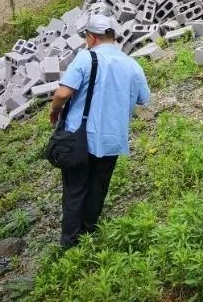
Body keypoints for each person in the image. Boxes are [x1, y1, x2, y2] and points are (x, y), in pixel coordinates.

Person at [49, 14, 150, 248]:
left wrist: (54, 110)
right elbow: (144, 99)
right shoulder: (132, 64)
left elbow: (63, 93)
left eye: (86, 38)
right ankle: (88, 233)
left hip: (81, 137)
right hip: (112, 138)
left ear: (92, 38)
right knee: (98, 187)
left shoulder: (87, 58)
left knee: (75, 189)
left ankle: (70, 244)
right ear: (112, 36)